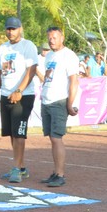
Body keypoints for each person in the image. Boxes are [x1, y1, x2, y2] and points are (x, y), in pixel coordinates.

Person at [0, 17, 38, 183]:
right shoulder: (3, 48)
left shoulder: (28, 46)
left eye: (14, 29)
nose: (10, 32)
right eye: (8, 29)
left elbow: (31, 70)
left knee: (19, 133)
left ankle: (17, 168)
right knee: (11, 132)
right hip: (5, 94)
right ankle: (21, 166)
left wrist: (19, 90)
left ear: (20, 29)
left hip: (23, 96)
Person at [39, 26, 79, 188]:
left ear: (62, 38)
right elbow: (48, 77)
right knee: (51, 137)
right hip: (47, 100)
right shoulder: (49, 57)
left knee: (56, 137)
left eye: (54, 37)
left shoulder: (69, 56)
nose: (51, 40)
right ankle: (55, 172)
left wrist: (70, 104)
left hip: (59, 101)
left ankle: (60, 174)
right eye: (49, 38)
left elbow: (74, 81)